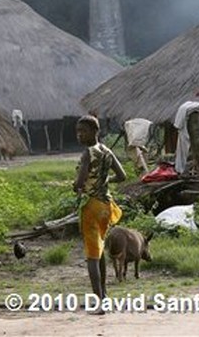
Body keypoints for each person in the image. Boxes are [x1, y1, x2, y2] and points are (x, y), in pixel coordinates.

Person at [73, 114, 126, 311]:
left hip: (92, 206)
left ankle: (99, 302)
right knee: (100, 250)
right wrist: (105, 181)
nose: (79, 135)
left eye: (83, 131)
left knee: (92, 256)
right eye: (78, 132)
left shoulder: (88, 153)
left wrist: (76, 186)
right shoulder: (107, 151)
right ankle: (104, 296)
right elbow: (122, 176)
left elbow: (79, 182)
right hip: (106, 205)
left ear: (96, 132)